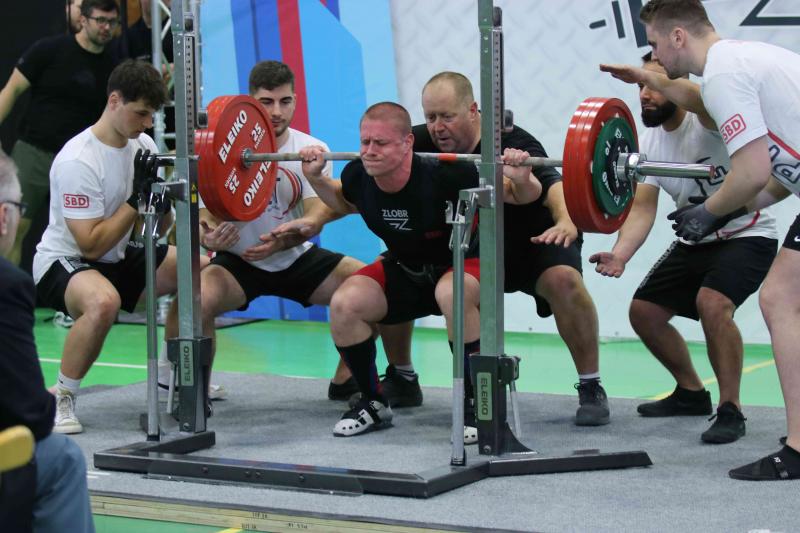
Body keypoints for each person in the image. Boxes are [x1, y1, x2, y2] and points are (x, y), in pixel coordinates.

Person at [601, 0, 800, 480]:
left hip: (744, 236)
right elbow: (780, 178)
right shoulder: (738, 65)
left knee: (779, 299)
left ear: (678, 37)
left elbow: (752, 171)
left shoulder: (725, 72)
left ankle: (797, 448)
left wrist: (709, 213)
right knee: (782, 298)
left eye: (654, 43)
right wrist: (727, 211)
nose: (654, 53)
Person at [378, 71, 610, 426]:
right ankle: (406, 378)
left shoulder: (512, 141)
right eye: (430, 116)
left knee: (564, 281)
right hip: (475, 244)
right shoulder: (420, 141)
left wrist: (567, 222)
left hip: (533, 238)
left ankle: (591, 385)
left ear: (473, 110)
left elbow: (553, 184)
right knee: (399, 268)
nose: (437, 127)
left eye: (447, 116)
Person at [300, 102, 541, 438]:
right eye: (365, 142)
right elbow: (343, 201)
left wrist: (522, 177)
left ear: (407, 143)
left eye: (380, 143)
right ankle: (373, 403)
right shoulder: (359, 174)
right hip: (407, 267)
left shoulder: (447, 174)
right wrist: (316, 178)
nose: (370, 151)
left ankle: (478, 406)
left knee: (452, 293)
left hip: (461, 263)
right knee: (346, 303)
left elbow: (520, 195)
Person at [590, 54, 777, 444]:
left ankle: (731, 408)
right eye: (640, 86)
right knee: (644, 312)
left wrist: (664, 81)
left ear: (677, 86)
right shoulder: (648, 143)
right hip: (696, 239)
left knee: (713, 303)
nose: (645, 94)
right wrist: (621, 254)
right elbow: (642, 208)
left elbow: (701, 100)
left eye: (654, 85)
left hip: (747, 234)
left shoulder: (707, 121)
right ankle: (691, 393)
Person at [193, 60, 360, 400]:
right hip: (238, 263)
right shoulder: (217, 150)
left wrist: (294, 234)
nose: (276, 112)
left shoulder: (312, 149)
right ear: (250, 102)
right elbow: (202, 216)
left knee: (372, 286)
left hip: (294, 256)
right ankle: (194, 389)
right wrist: (206, 236)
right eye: (266, 102)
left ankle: (348, 377)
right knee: (193, 302)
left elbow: (316, 212)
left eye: (285, 101)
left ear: (296, 100)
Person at [32, 59, 179, 435]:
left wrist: (160, 206)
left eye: (151, 115)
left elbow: (151, 232)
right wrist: (135, 199)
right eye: (140, 113)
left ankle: (173, 378)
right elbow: (92, 245)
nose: (147, 124)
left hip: (117, 253)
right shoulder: (78, 160)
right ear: (114, 101)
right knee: (103, 302)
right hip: (66, 260)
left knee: (200, 268)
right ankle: (62, 396)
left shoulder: (143, 145)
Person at [0, 150, 94, 532]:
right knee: (62, 457)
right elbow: (27, 413)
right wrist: (49, 402)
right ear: (4, 216)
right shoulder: (8, 285)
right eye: (19, 208)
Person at [0, 0, 120, 268]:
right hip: (34, 154)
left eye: (112, 22)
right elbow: (11, 90)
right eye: (100, 20)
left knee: (80, 238)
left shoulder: (114, 67)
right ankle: (8, 292)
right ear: (83, 20)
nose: (106, 27)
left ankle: (70, 293)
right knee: (14, 229)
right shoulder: (49, 50)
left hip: (79, 163)